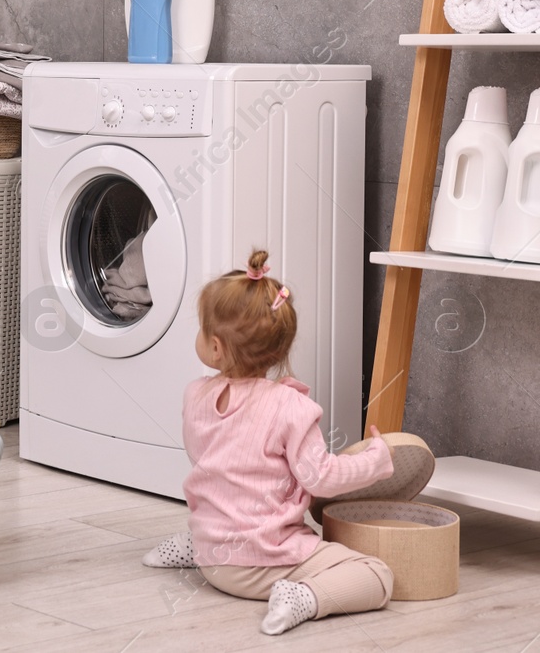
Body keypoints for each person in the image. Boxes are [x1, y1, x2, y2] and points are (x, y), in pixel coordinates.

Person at [141, 251, 396, 636]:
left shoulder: (195, 395)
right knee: (378, 575)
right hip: (264, 563)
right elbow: (321, 479)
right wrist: (376, 460)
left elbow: (215, 464)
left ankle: (193, 544)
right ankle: (304, 596)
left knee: (226, 499)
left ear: (215, 348)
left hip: (214, 560)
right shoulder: (291, 407)